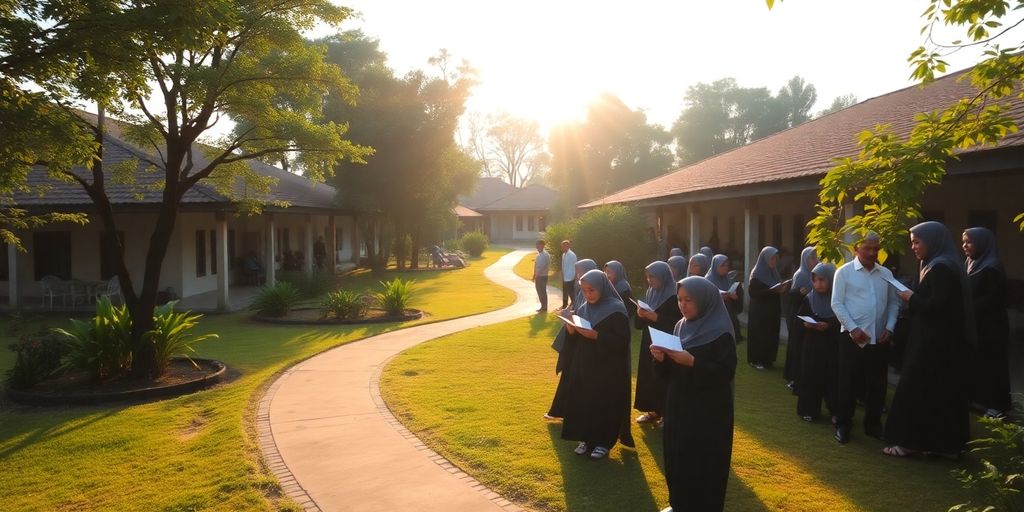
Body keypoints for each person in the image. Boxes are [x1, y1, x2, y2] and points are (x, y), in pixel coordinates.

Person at [884, 222, 972, 457]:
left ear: (931, 241)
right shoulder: (934, 263)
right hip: (934, 341)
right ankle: (942, 445)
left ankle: (911, 443)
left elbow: (937, 305)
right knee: (938, 394)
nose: (913, 247)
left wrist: (909, 298)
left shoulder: (942, 267)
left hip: (934, 344)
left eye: (916, 242)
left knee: (919, 390)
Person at [651, 276, 737, 512]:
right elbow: (669, 373)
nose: (682, 305)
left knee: (703, 461)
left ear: (704, 300)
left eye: (688, 299)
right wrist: (661, 360)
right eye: (679, 300)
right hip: (679, 405)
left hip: (708, 412)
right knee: (677, 456)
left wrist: (693, 362)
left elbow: (724, 374)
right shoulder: (680, 326)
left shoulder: (720, 332)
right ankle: (678, 503)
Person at [831, 232, 898, 444]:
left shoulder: (885, 273)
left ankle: (873, 425)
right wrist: (853, 328)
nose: (872, 252)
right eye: (867, 248)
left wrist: (890, 327)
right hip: (852, 339)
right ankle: (843, 425)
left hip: (879, 339)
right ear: (856, 248)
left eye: (875, 248)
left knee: (877, 384)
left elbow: (894, 303)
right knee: (847, 383)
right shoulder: (844, 272)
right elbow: (837, 303)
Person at [560, 269, 635, 460]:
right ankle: (586, 438)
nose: (587, 294)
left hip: (608, 367)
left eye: (591, 290)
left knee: (604, 403)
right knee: (585, 401)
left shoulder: (616, 308)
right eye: (584, 290)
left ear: (602, 287)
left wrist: (596, 336)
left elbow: (622, 341)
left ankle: (603, 442)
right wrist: (570, 326)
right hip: (585, 365)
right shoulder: (584, 307)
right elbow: (576, 338)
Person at [963, 227, 1011, 418]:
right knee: (976, 363)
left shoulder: (992, 267)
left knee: (993, 366)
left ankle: (997, 405)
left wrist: (963, 306)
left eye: (969, 242)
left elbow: (990, 300)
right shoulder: (971, 263)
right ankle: (979, 399)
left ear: (982, 243)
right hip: (976, 325)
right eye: (964, 241)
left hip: (992, 326)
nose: (964, 246)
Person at [633, 261, 682, 425]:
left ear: (663, 275)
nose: (649, 280)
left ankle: (668, 413)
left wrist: (656, 318)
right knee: (650, 375)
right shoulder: (651, 292)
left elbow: (678, 323)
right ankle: (653, 410)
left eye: (652, 276)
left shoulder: (675, 295)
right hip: (650, 340)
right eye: (647, 276)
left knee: (665, 377)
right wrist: (640, 314)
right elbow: (640, 325)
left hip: (667, 343)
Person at [796, 262, 840, 422]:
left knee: (832, 378)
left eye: (822, 280)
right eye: (815, 280)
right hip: (812, 345)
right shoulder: (809, 298)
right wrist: (807, 324)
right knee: (810, 377)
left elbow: (842, 320)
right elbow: (801, 316)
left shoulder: (837, 300)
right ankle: (809, 410)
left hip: (831, 345)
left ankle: (835, 411)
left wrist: (828, 325)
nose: (818, 284)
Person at [747, 246, 791, 370]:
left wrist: (782, 289)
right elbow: (753, 293)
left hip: (773, 309)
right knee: (760, 335)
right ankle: (756, 360)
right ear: (764, 259)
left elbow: (776, 288)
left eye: (776, 259)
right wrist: (771, 291)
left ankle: (768, 359)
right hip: (760, 311)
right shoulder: (757, 274)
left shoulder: (774, 273)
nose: (774, 262)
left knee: (771, 333)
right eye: (771, 259)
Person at [785, 246, 818, 392]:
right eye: (812, 258)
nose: (815, 260)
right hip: (798, 315)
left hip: (811, 315)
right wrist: (799, 293)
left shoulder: (816, 274)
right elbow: (792, 296)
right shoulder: (801, 274)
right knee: (797, 346)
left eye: (815, 257)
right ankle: (794, 376)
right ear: (805, 259)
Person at [706, 254, 743, 343]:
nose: (725, 268)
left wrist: (735, 296)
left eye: (727, 265)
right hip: (714, 318)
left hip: (728, 313)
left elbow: (733, 294)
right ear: (715, 266)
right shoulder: (708, 280)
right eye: (722, 266)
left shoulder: (727, 279)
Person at [533, 240, 551, 313]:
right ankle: (542, 306)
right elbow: (536, 265)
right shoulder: (538, 255)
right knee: (539, 291)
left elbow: (544, 266)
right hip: (538, 276)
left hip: (543, 276)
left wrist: (538, 274)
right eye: (536, 245)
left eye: (538, 245)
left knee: (542, 291)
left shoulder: (546, 255)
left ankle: (544, 307)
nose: (537, 247)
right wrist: (534, 275)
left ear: (542, 245)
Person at [560, 240, 578, 311]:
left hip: (570, 277)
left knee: (571, 292)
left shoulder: (572, 255)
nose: (562, 248)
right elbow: (563, 266)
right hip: (565, 276)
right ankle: (564, 305)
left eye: (564, 246)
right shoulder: (564, 254)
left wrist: (575, 277)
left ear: (568, 246)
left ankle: (575, 305)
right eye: (562, 246)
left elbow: (575, 266)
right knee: (564, 291)